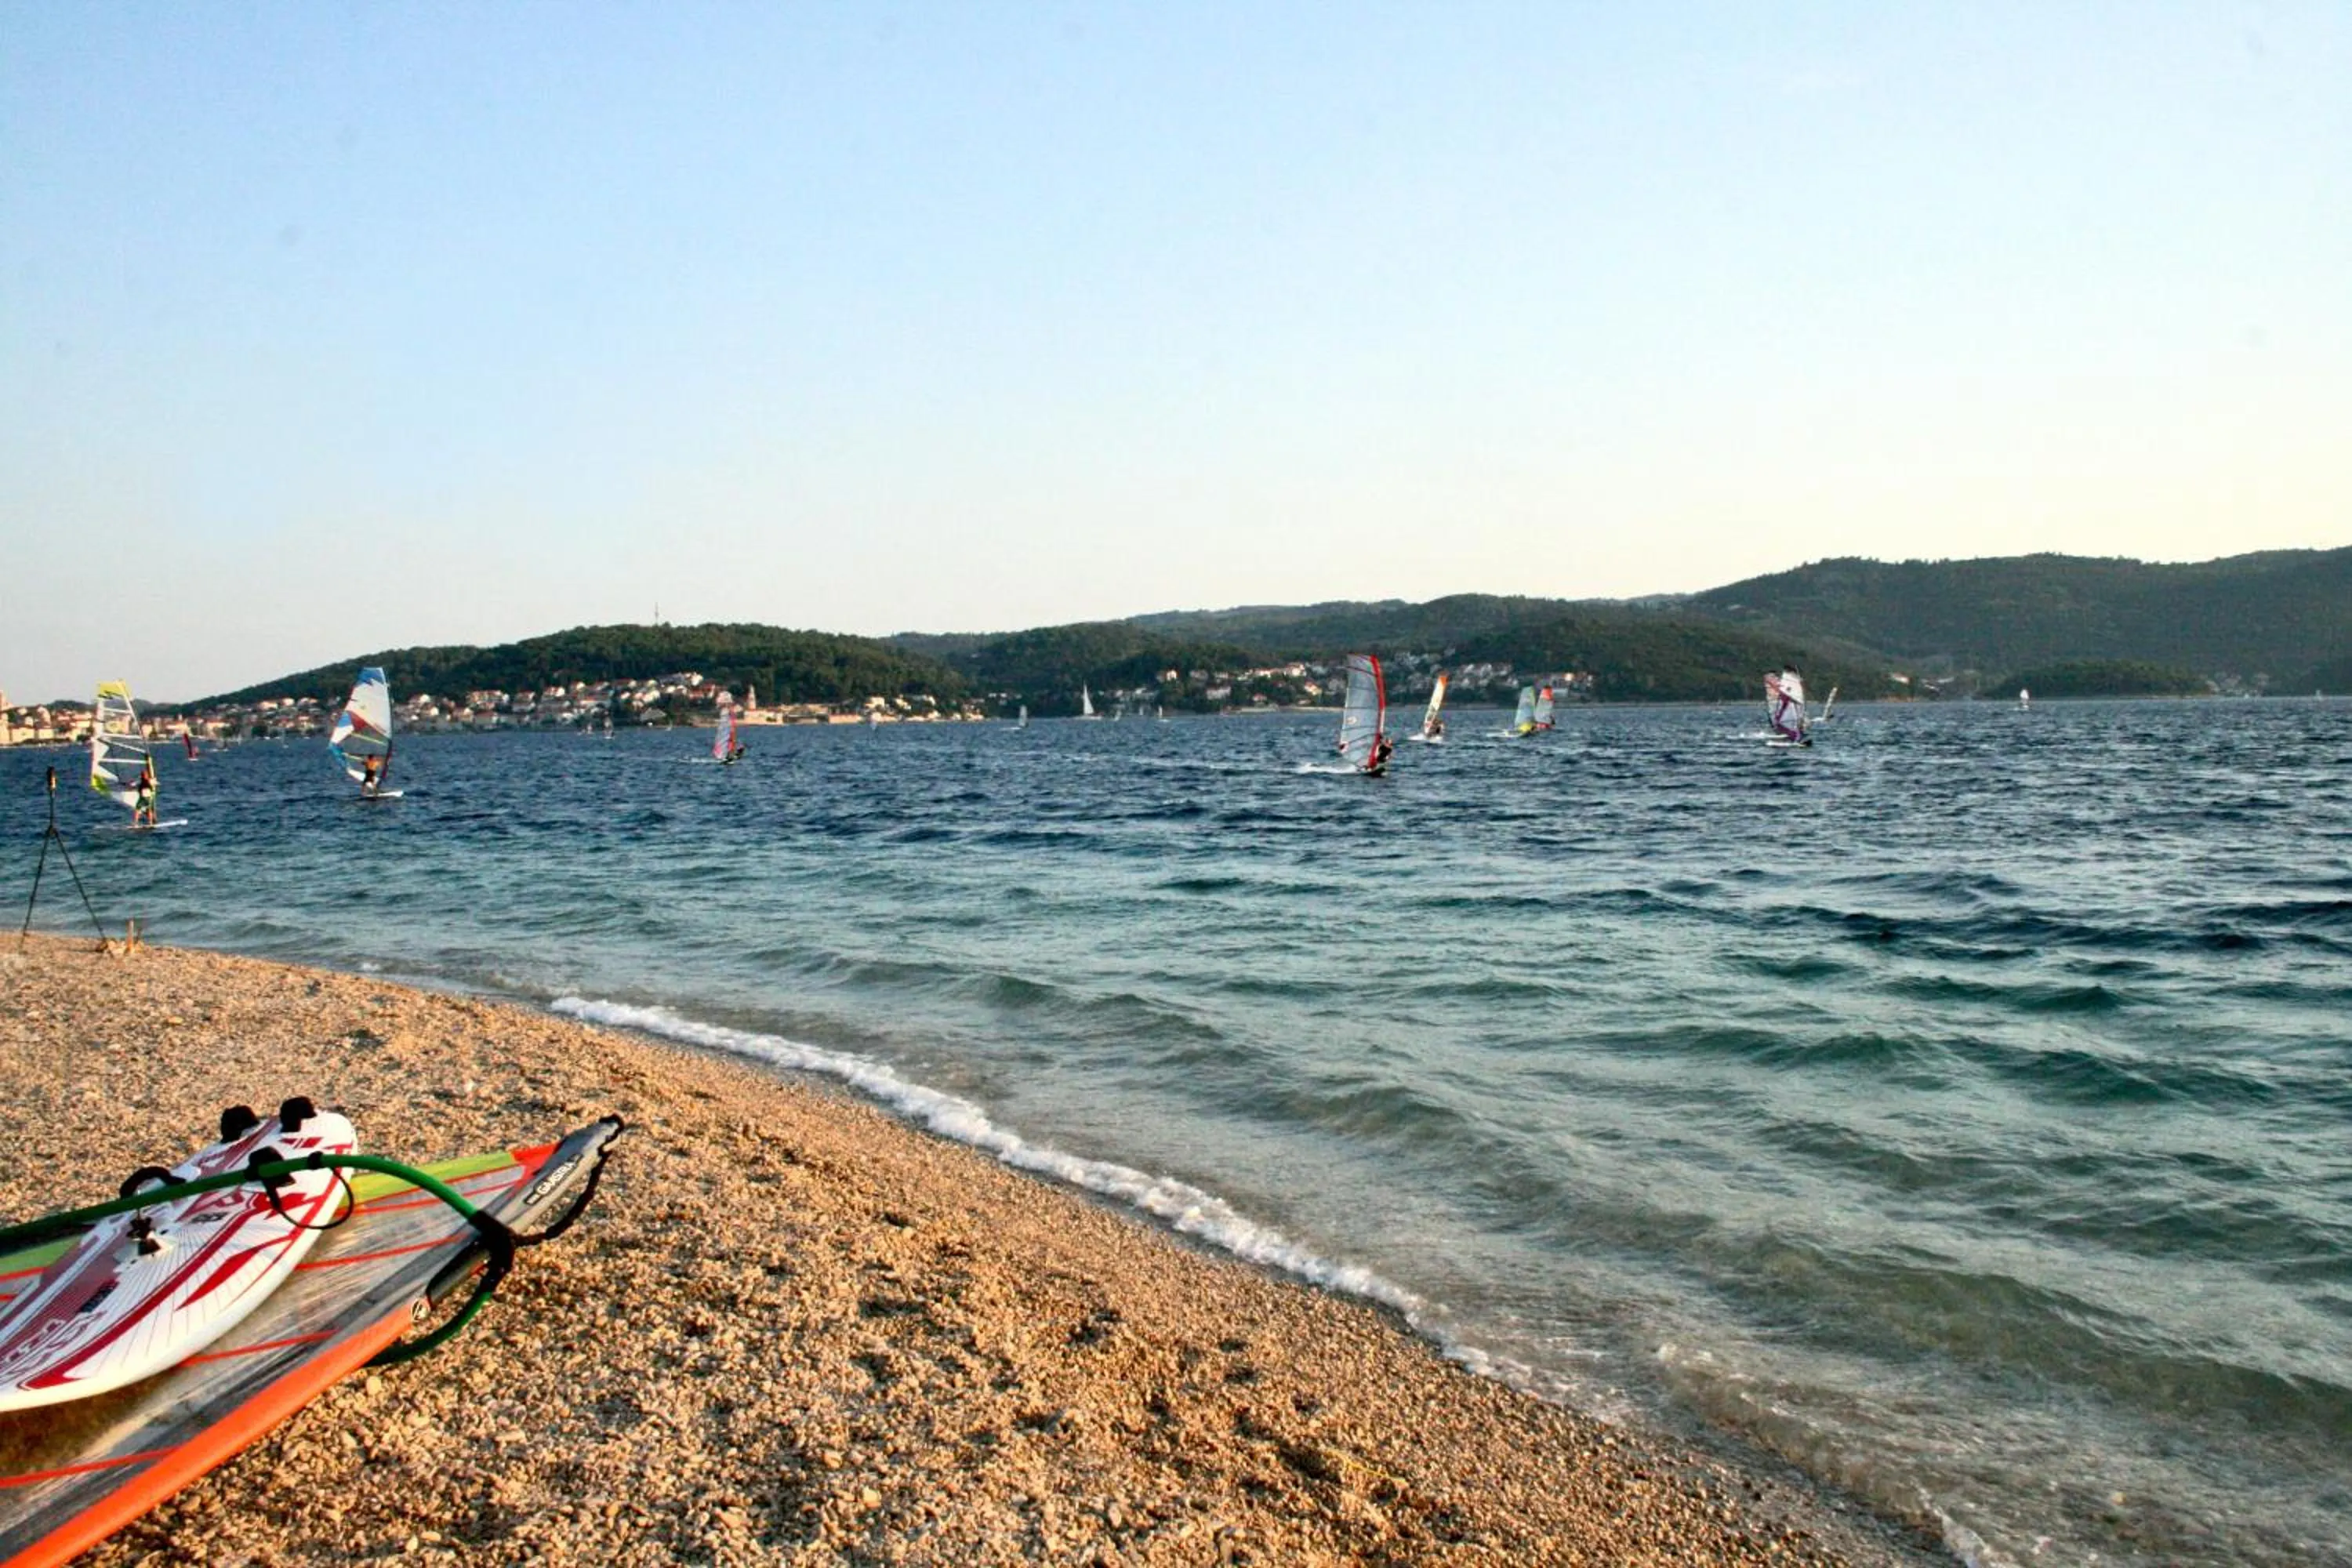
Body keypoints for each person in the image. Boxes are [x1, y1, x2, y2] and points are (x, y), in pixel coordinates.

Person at [132, 760, 158, 827]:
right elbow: (132, 784)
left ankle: (137, 823)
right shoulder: (146, 780)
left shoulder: (145, 781)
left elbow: (132, 784)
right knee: (145, 809)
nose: (143, 776)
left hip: (146, 798)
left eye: (143, 775)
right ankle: (149, 822)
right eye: (143, 775)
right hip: (146, 798)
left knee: (140, 810)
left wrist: (154, 781)